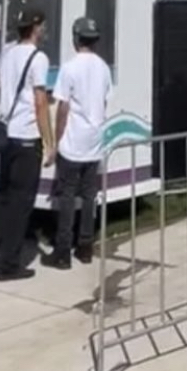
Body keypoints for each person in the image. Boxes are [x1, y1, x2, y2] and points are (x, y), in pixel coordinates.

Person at [0, 11, 52, 282]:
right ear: (35, 27)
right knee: (22, 202)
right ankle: (9, 263)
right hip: (26, 135)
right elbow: (40, 102)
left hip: (5, 134)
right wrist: (49, 142)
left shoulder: (7, 53)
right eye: (42, 25)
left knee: (3, 196)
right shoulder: (39, 58)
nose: (44, 30)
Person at [44, 16, 112, 271]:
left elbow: (63, 107)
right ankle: (85, 246)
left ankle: (62, 250)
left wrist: (56, 139)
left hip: (73, 140)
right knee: (88, 195)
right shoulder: (103, 68)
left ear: (75, 39)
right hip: (94, 140)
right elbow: (104, 102)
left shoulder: (70, 68)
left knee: (67, 195)